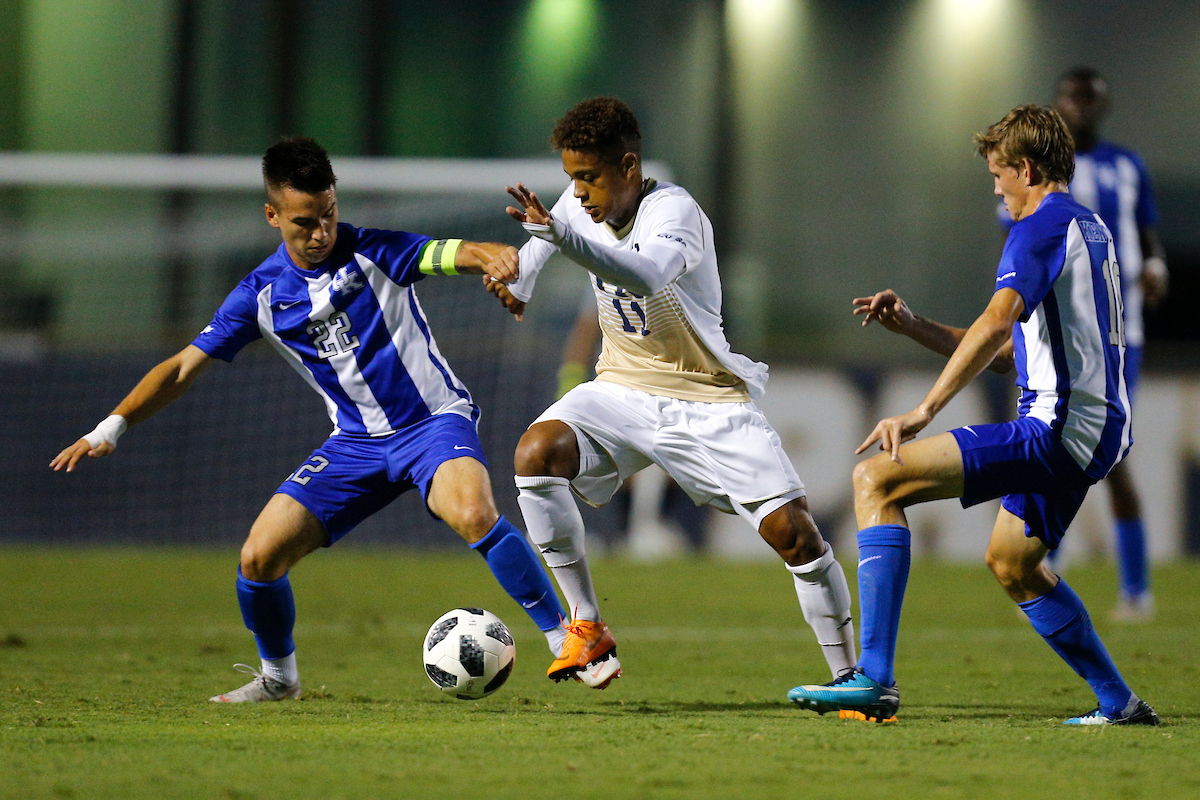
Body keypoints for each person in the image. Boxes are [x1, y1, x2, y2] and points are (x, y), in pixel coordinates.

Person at [50, 137, 568, 702]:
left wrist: (494, 256)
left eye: (329, 214)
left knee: (472, 511)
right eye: (304, 222)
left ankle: (568, 638)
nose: (321, 232)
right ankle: (279, 680)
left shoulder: (374, 250)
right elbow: (180, 370)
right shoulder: (260, 294)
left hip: (432, 423)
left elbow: (452, 252)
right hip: (355, 445)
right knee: (258, 555)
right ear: (272, 215)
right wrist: (110, 427)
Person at [788, 105, 1158, 725]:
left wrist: (923, 409)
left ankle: (874, 677)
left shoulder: (1038, 227)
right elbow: (1011, 355)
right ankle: (1119, 702)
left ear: (1028, 168)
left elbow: (995, 321)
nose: (995, 189)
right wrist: (913, 325)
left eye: (998, 174)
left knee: (877, 480)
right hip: (1097, 428)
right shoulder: (1088, 227)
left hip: (1057, 426)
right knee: (1013, 562)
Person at [484, 97, 857, 689]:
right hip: (623, 389)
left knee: (796, 534)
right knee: (535, 454)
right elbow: (534, 257)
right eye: (571, 178)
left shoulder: (675, 212)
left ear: (629, 166)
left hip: (706, 397)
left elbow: (646, 274)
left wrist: (557, 233)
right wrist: (519, 281)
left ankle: (849, 678)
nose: (578, 192)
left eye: (590, 177)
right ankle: (586, 623)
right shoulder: (578, 205)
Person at [1054, 67, 1168, 621]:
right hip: (1060, 330)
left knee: (1114, 453)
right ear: (1059, 103)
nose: (1082, 106)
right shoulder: (1043, 170)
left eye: (1091, 98)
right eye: (1073, 97)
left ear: (1104, 105)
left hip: (1124, 333)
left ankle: (1136, 588)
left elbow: (1147, 235)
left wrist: (1155, 265)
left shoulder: (1129, 167)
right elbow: (1016, 240)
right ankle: (1042, 565)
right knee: (1050, 441)